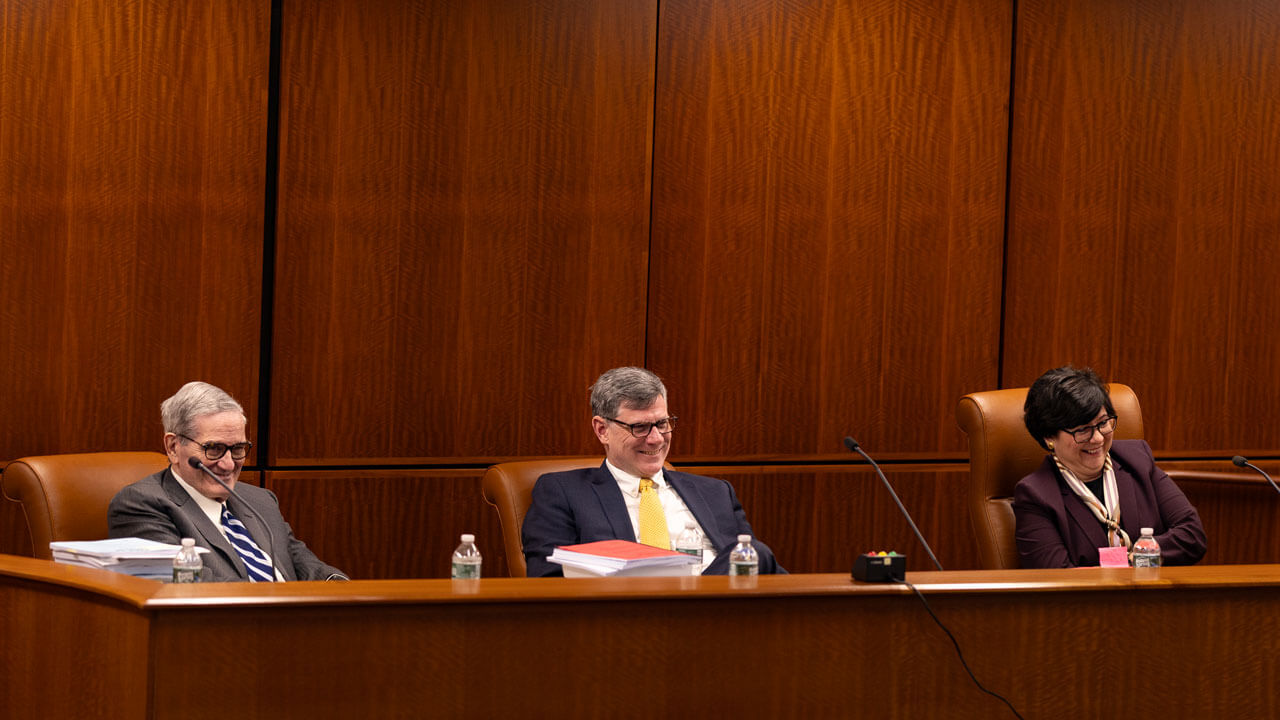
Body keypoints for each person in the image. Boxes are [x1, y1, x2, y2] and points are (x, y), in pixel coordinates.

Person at [521, 366, 784, 576]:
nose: (656, 439)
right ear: (602, 430)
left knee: (753, 554)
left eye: (662, 423)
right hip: (621, 625)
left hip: (723, 622)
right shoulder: (564, 492)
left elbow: (762, 571)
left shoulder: (716, 493)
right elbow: (548, 579)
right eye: (640, 427)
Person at [109, 381, 346, 582]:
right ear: (173, 447)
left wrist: (340, 588)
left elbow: (304, 564)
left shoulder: (260, 500)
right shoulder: (142, 505)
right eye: (214, 449)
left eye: (238, 449)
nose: (229, 464)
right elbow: (194, 585)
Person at [1012, 366, 1207, 568]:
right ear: (1049, 436)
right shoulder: (1036, 495)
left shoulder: (1137, 460)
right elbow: (1057, 576)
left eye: (1103, 423)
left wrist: (1134, 559)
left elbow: (1192, 536)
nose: (1097, 438)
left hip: (1156, 596)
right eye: (1082, 430)